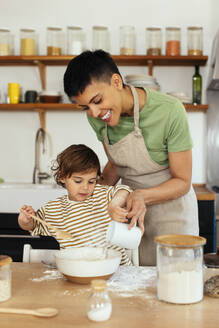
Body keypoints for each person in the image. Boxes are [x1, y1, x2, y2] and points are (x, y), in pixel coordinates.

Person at [63, 50, 199, 266]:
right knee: (135, 285)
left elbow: (182, 182)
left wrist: (141, 196)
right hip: (131, 218)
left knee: (173, 283)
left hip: (173, 214)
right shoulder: (97, 118)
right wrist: (88, 191)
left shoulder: (169, 111)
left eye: (97, 100)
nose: (95, 113)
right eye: (85, 107)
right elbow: (117, 164)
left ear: (116, 81)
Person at [18, 144, 133, 265]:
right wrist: (25, 220)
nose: (85, 187)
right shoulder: (54, 209)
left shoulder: (101, 194)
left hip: (117, 268)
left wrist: (114, 204)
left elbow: (125, 190)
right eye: (78, 181)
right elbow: (33, 226)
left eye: (91, 181)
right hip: (77, 270)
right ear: (62, 176)